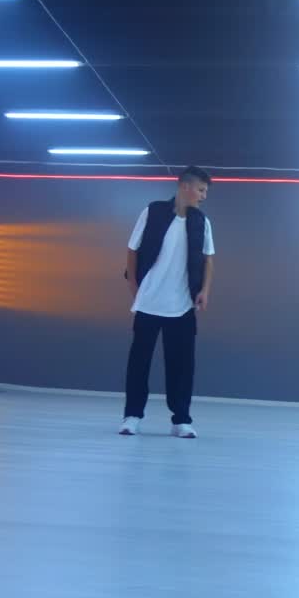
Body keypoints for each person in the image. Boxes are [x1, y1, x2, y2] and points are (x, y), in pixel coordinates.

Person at [119, 166, 215, 438]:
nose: (203, 196)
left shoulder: (201, 222)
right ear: (185, 186)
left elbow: (209, 259)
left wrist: (204, 290)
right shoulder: (152, 212)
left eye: (205, 191)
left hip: (183, 305)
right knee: (139, 363)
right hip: (148, 303)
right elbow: (132, 250)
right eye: (201, 189)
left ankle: (181, 420)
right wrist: (134, 287)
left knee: (182, 366)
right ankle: (132, 416)